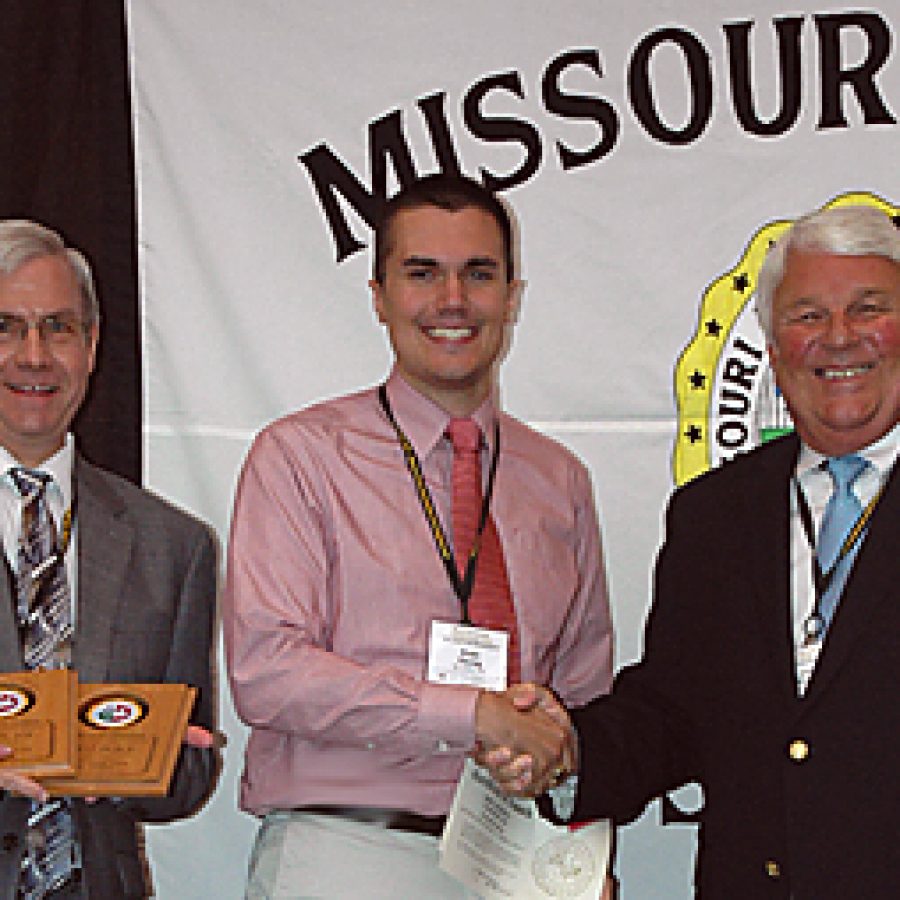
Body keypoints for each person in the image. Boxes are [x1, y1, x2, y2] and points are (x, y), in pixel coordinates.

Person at [223, 173, 614, 898]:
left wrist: (572, 847)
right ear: (378, 296)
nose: (453, 301)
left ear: (512, 296)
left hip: (515, 857)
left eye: (479, 274)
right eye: (422, 273)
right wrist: (473, 714)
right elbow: (266, 671)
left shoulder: (559, 481)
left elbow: (582, 697)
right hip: (347, 849)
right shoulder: (301, 458)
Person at [496, 204, 899, 898]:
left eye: (869, 309)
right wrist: (566, 751)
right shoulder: (714, 514)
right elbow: (674, 713)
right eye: (807, 316)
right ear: (773, 350)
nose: (839, 338)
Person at [0, 220, 218, 898]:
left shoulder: (173, 547)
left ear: (91, 348)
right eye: (4, 327)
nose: (32, 356)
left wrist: (146, 762)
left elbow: (188, 778)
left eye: (58, 328)